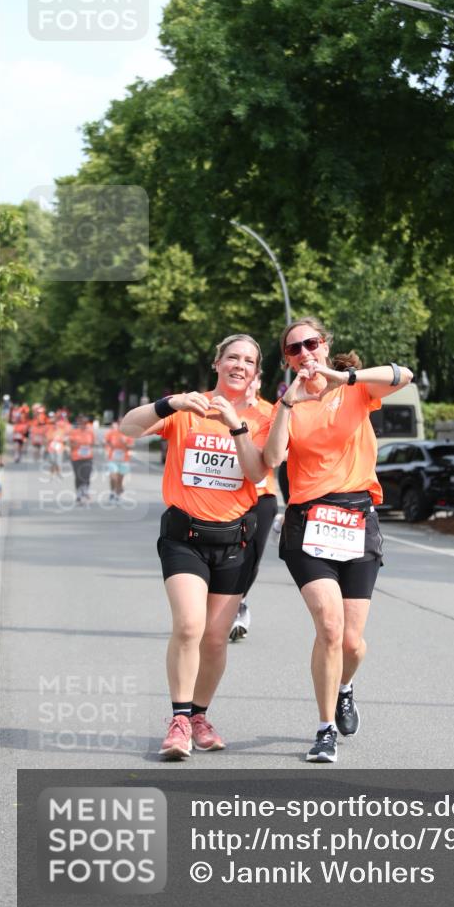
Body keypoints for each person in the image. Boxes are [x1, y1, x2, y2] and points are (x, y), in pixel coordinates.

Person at [263, 316, 413, 763]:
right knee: (328, 628)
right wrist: (287, 403)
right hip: (308, 522)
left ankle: (345, 686)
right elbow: (272, 457)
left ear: (325, 345)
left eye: (311, 344)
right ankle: (325, 728)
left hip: (357, 520)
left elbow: (403, 375)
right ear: (288, 360)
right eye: (294, 349)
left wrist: (344, 377)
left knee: (351, 642)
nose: (304, 353)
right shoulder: (288, 405)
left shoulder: (356, 389)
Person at [121, 335, 269, 760]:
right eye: (232, 357)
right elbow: (128, 429)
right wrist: (170, 403)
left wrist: (236, 425)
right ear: (217, 363)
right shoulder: (189, 407)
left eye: (249, 361)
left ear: (257, 372)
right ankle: (180, 720)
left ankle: (200, 715)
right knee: (189, 626)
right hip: (184, 537)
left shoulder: (264, 415)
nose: (239, 365)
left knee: (216, 639)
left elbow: (258, 472)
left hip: (234, 539)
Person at [230, 375, 278, 642]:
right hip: (228, 495)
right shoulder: (221, 409)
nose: (247, 383)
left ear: (259, 382)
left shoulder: (271, 412)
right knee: (227, 555)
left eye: (253, 379)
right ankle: (218, 606)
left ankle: (239, 603)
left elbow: (283, 452)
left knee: (252, 557)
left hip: (262, 496)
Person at [104, 420, 134, 503]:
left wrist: (125, 443)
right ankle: (112, 492)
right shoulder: (112, 432)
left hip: (124, 460)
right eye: (120, 424)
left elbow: (131, 446)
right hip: (113, 459)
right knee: (113, 477)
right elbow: (106, 441)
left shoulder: (129, 434)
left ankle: (118, 495)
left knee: (120, 480)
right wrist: (110, 446)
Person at [68, 416, 95, 504]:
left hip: (88, 457)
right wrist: (77, 445)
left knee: (87, 475)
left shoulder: (90, 432)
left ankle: (85, 490)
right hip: (76, 457)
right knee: (78, 476)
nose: (83, 425)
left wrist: (85, 446)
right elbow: (70, 444)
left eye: (85, 423)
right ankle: (78, 494)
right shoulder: (74, 432)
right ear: (79, 423)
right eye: (82, 423)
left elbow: (92, 443)